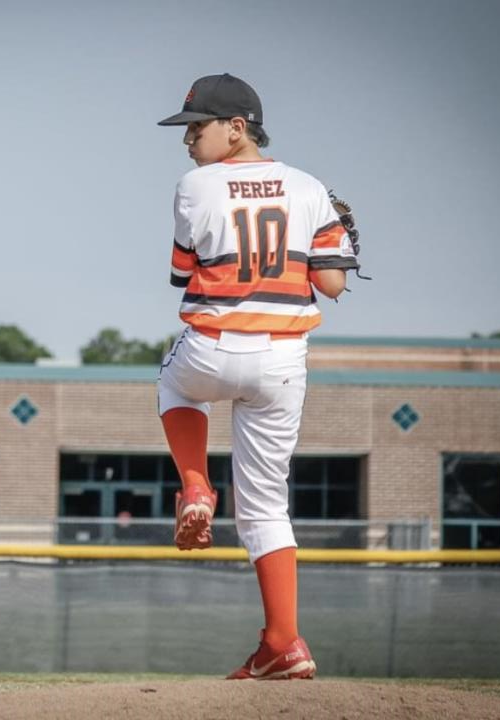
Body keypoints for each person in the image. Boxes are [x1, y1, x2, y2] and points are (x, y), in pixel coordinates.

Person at [157, 73, 360, 680]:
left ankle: (196, 486)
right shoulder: (309, 187)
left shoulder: (195, 186)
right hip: (283, 360)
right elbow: (333, 283)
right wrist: (336, 239)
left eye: (198, 126)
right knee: (267, 507)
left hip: (213, 345)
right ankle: (283, 643)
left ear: (236, 128)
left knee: (174, 384)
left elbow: (182, 274)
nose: (188, 139)